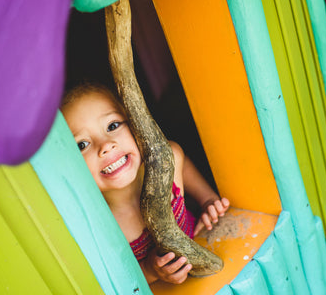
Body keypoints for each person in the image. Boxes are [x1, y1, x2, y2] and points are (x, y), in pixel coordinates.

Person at [61, 82, 230, 284]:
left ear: (136, 125)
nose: (105, 145)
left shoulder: (166, 164)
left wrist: (207, 200)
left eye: (112, 126)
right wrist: (151, 271)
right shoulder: (101, 227)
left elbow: (179, 158)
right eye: (82, 144)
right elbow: (118, 282)